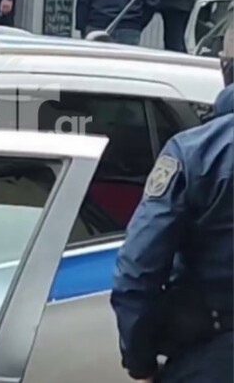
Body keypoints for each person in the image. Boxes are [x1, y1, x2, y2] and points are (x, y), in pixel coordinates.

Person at [111, 20, 234, 383]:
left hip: (211, 356)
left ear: (226, 68)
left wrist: (140, 362)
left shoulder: (195, 153)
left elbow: (137, 272)